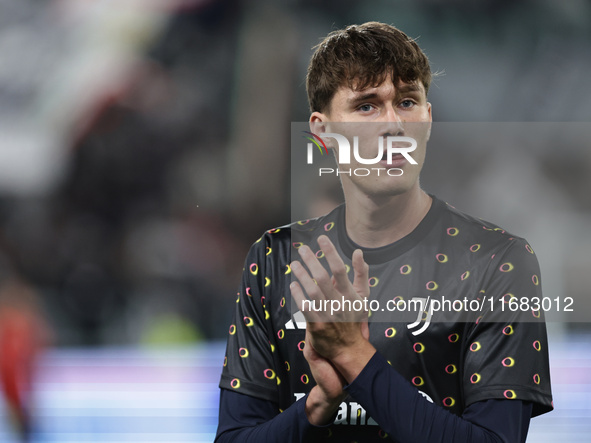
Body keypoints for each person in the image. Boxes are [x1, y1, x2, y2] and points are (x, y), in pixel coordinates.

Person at [215, 21, 553, 442]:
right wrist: (317, 407)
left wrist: (353, 357)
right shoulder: (274, 258)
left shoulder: (499, 261)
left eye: (408, 102)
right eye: (366, 106)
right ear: (322, 132)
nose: (394, 126)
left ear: (428, 119)